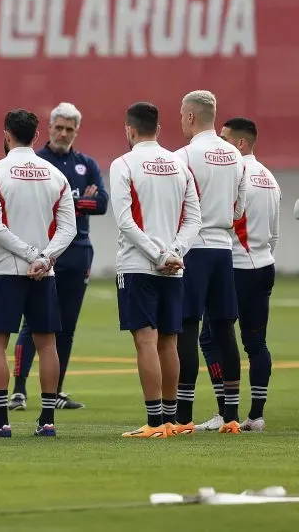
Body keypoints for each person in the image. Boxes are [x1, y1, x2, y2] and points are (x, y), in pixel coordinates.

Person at [0, 109, 75, 438]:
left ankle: (1, 421)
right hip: (42, 273)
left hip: (6, 269)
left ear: (7, 134)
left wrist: (33, 255)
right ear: (36, 136)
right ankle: (47, 420)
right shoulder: (56, 175)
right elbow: (68, 229)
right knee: (48, 345)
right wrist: (44, 258)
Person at [110, 103, 200, 438]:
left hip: (138, 264)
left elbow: (124, 219)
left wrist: (157, 254)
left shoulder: (124, 164)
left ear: (129, 129)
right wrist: (175, 251)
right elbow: (194, 220)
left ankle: (153, 421)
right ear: (158, 130)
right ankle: (172, 419)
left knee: (146, 341)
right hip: (173, 267)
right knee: (169, 342)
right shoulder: (179, 164)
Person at [10, 103, 106, 412]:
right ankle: (19, 390)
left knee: (67, 326)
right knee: (33, 322)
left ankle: (56, 391)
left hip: (77, 252)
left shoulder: (86, 164)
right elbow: (39, 205)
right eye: (59, 127)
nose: (63, 133)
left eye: (70, 129)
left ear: (77, 131)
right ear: (49, 129)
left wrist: (71, 204)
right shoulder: (36, 161)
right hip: (42, 250)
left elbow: (102, 203)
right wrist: (78, 201)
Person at [192, 118, 279, 432]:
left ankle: (224, 410)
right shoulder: (270, 177)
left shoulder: (237, 173)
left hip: (236, 266)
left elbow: (232, 218)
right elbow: (275, 233)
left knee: (210, 337)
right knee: (256, 343)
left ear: (241, 143)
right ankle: (255, 415)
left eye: (225, 137)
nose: (220, 142)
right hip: (264, 264)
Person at [173, 90, 246, 435]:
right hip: (223, 249)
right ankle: (230, 415)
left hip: (194, 246)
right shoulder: (234, 154)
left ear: (190, 117)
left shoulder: (184, 155)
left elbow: (177, 208)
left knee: (187, 327)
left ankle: (183, 415)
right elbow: (238, 209)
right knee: (224, 330)